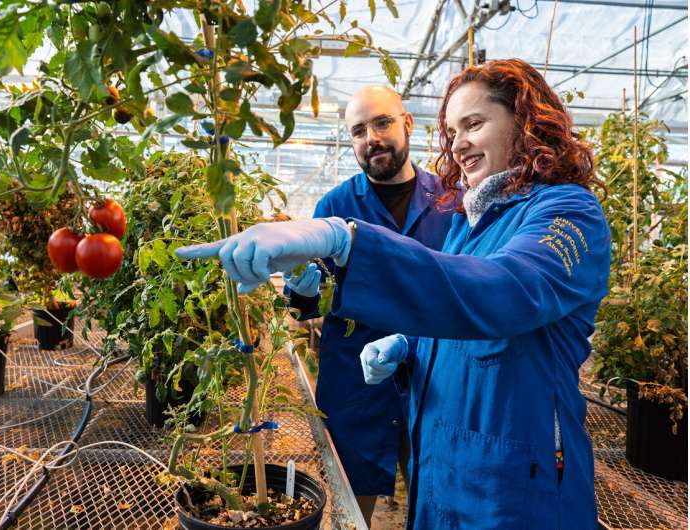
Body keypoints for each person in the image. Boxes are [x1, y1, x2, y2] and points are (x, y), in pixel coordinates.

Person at [177, 59, 610, 529]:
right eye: (452, 130)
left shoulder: (568, 211)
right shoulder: (469, 221)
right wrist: (408, 345)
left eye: (475, 123)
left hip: (515, 478)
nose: (459, 141)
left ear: (526, 122)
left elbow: (503, 289)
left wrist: (347, 241)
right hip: (438, 456)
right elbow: (444, 314)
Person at [282, 86, 454, 524]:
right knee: (352, 503)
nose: (371, 138)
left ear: (407, 123)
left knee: (438, 494)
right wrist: (301, 285)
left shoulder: (450, 203)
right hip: (356, 381)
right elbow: (309, 302)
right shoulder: (336, 207)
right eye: (358, 131)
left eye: (382, 123)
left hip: (435, 376)